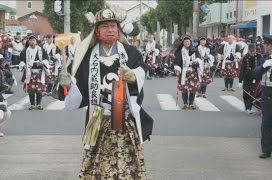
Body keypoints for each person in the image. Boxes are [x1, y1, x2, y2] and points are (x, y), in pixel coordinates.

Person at [58, 8, 153, 179]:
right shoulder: (86, 56)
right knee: (99, 167)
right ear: (97, 31)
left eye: (113, 26)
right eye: (105, 26)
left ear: (119, 29)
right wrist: (67, 84)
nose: (110, 30)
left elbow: (142, 72)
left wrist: (133, 76)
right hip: (98, 122)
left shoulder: (130, 52)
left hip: (125, 119)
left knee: (127, 166)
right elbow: (77, 88)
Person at [253, 34, 272, 159]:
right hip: (268, 92)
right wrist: (264, 66)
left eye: (265, 44)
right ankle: (266, 150)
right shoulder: (265, 58)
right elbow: (255, 73)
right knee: (266, 122)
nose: (264, 46)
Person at [174, 34, 202, 109]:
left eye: (188, 42)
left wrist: (197, 61)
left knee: (193, 88)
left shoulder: (194, 50)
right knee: (184, 88)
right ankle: (185, 103)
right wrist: (177, 69)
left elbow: (199, 58)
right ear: (183, 42)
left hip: (192, 71)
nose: (187, 43)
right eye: (185, 42)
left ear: (190, 42)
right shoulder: (180, 51)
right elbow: (176, 62)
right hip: (184, 72)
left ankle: (191, 103)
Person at [23, 35, 49, 110]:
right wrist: (23, 65)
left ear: (36, 41)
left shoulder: (41, 50)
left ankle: (38, 104)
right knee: (31, 90)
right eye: (30, 40)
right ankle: (32, 104)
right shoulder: (25, 50)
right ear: (28, 42)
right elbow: (21, 60)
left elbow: (46, 59)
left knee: (39, 89)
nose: (32, 42)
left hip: (39, 72)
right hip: (30, 72)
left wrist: (42, 62)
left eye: (34, 40)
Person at [238, 43, 262, 114]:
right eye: (251, 51)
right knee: (246, 93)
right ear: (248, 50)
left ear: (255, 50)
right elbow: (241, 70)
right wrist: (240, 81)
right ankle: (246, 106)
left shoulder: (259, 56)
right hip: (247, 78)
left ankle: (249, 108)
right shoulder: (244, 58)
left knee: (253, 93)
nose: (252, 53)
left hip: (256, 78)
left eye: (253, 51)